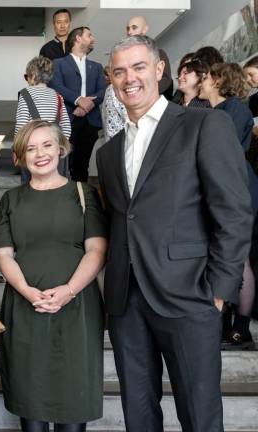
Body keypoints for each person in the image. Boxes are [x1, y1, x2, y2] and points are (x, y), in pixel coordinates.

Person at [96, 35, 253, 432]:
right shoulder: (108, 152)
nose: (128, 78)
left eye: (138, 67)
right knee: (139, 413)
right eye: (119, 71)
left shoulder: (204, 124)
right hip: (127, 301)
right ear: (112, 80)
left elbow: (233, 213)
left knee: (199, 414)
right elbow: (121, 220)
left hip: (190, 295)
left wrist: (219, 291)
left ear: (160, 70)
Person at [0, 120, 107, 432]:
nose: (39, 153)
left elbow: (96, 250)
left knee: (74, 404)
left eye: (46, 145)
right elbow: (4, 255)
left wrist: (69, 290)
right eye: (30, 148)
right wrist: (28, 292)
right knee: (31, 406)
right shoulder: (10, 199)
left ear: (61, 148)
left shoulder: (84, 193)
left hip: (77, 309)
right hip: (25, 308)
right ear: (20, 156)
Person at [199, 62, 257, 349]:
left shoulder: (234, 109)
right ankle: (224, 323)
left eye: (207, 76)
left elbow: (224, 151)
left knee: (239, 255)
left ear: (220, 80)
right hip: (221, 185)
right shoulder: (215, 111)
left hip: (237, 185)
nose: (203, 81)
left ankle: (241, 330)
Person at [49, 26, 106, 182]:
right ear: (78, 38)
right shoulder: (58, 63)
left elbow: (103, 91)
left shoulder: (97, 66)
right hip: (68, 118)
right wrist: (78, 100)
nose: (93, 38)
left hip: (90, 122)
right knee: (63, 162)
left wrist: (87, 105)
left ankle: (81, 199)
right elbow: (56, 86)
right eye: (89, 35)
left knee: (83, 164)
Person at [15, 56, 72, 181]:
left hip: (32, 150)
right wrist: (60, 146)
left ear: (33, 75)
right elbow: (66, 126)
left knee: (30, 184)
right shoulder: (58, 96)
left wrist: (17, 150)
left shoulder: (25, 94)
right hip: (54, 150)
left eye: (27, 76)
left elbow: (21, 126)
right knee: (55, 183)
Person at [125, 16, 173, 99]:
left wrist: (144, 93)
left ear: (145, 30)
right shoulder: (125, 55)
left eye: (134, 28)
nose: (130, 32)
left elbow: (165, 79)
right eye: (128, 28)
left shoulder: (159, 53)